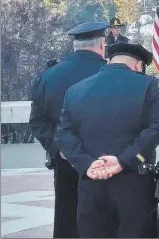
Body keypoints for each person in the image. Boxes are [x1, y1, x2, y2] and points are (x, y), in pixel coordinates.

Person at [54, 42, 159, 237]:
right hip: (134, 183)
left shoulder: (75, 90)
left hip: (91, 183)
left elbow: (63, 134)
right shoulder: (148, 85)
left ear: (109, 61)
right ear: (138, 65)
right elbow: (157, 129)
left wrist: (86, 164)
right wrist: (123, 160)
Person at [29, 22, 108, 238]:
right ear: (102, 43)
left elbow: (37, 121)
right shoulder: (112, 73)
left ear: (75, 45)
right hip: (105, 161)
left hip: (65, 160)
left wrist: (59, 149)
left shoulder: (49, 75)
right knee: (104, 222)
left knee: (67, 220)